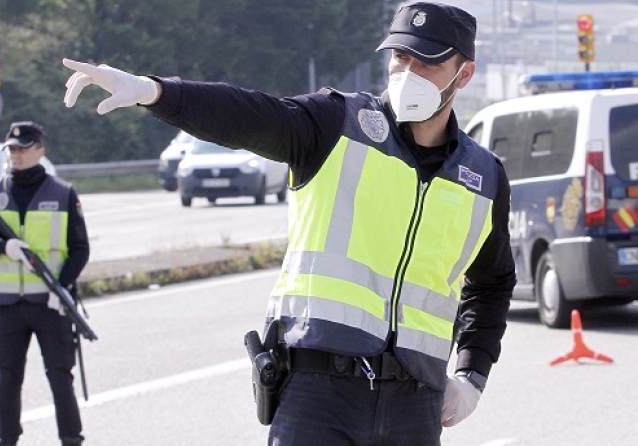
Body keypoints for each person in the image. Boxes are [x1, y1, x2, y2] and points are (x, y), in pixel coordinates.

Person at [61, 2, 515, 445]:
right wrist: (157, 92)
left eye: (427, 62)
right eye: (400, 57)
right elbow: (249, 114)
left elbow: (492, 284)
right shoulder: (337, 124)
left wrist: (472, 373)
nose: (407, 73)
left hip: (415, 406)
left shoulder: (484, 177)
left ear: (464, 74)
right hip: (316, 393)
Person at [0, 121, 90, 446]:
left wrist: (62, 287)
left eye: (23, 148)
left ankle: (71, 440)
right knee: (6, 378)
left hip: (49, 303)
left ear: (39, 151)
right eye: (12, 149)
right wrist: (3, 247)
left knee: (60, 378)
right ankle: (6, 441)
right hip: (8, 305)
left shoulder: (62, 193)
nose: (16, 155)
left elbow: (80, 249)